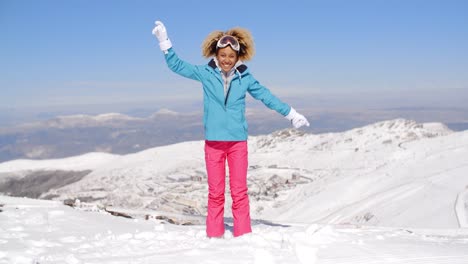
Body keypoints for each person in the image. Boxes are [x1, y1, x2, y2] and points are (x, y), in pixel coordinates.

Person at [152, 21, 309, 238]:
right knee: (215, 194)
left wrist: (291, 114)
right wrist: (164, 43)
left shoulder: (245, 78)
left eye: (231, 56)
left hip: (237, 143)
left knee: (239, 192)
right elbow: (178, 66)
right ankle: (214, 237)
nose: (226, 60)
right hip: (214, 143)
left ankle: (243, 236)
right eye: (223, 55)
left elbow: (266, 96)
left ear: (238, 57)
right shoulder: (205, 73)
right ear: (216, 53)